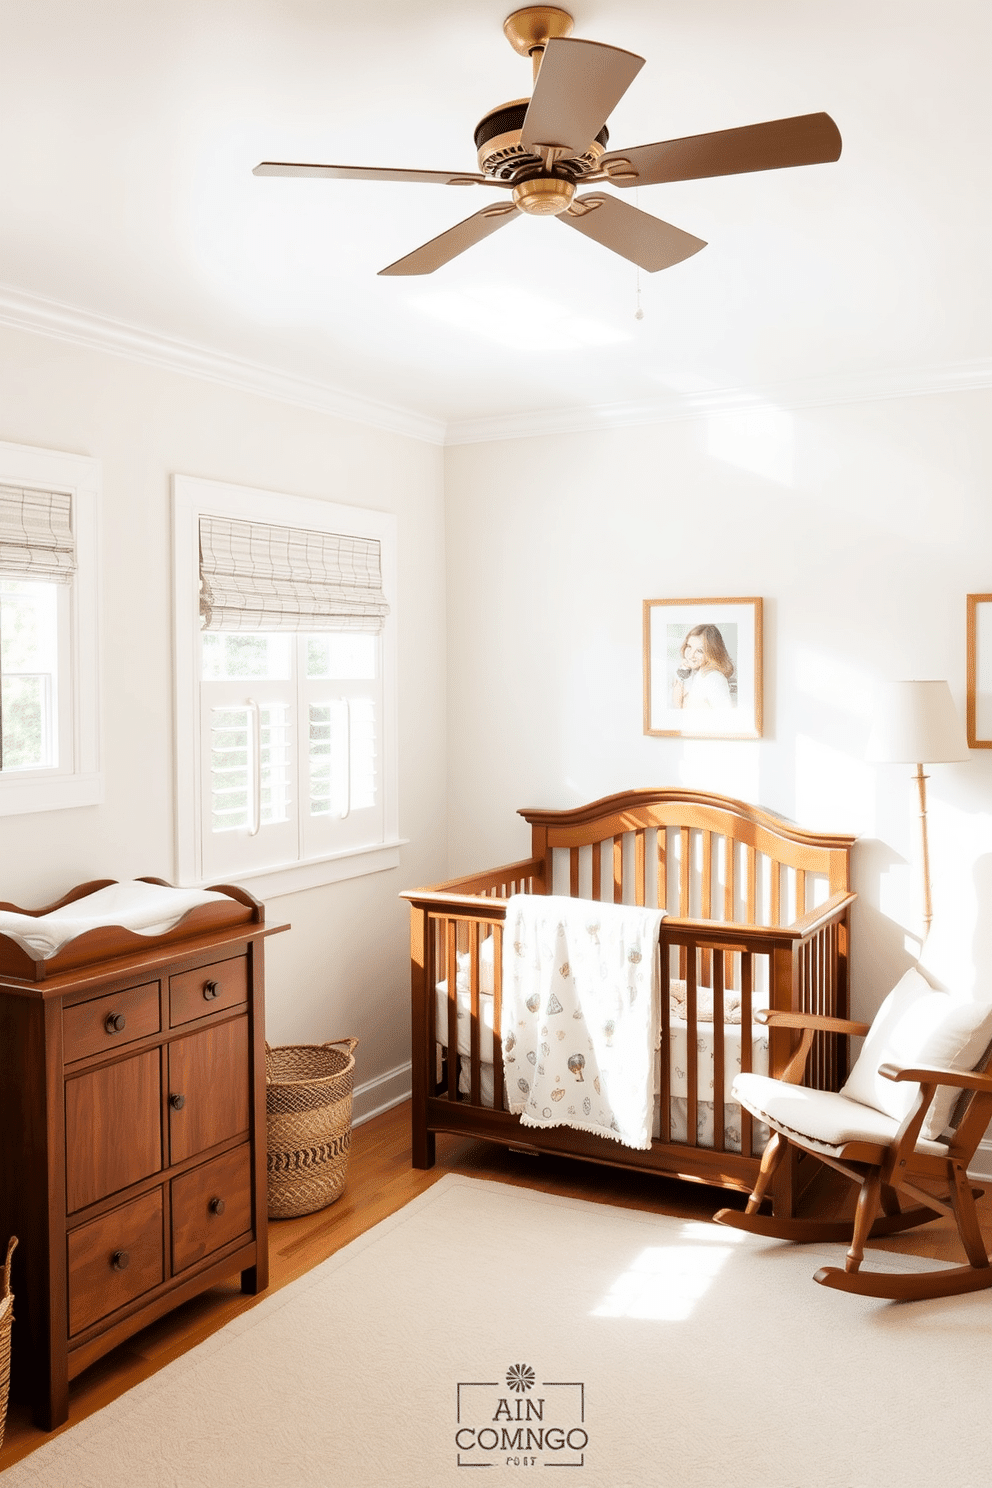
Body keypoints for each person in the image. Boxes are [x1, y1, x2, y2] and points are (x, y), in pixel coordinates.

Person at [672, 624, 735, 709]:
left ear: (712, 653)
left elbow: (726, 716)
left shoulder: (714, 678)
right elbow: (678, 706)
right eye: (689, 646)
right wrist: (683, 671)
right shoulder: (696, 673)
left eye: (700, 650)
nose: (691, 655)